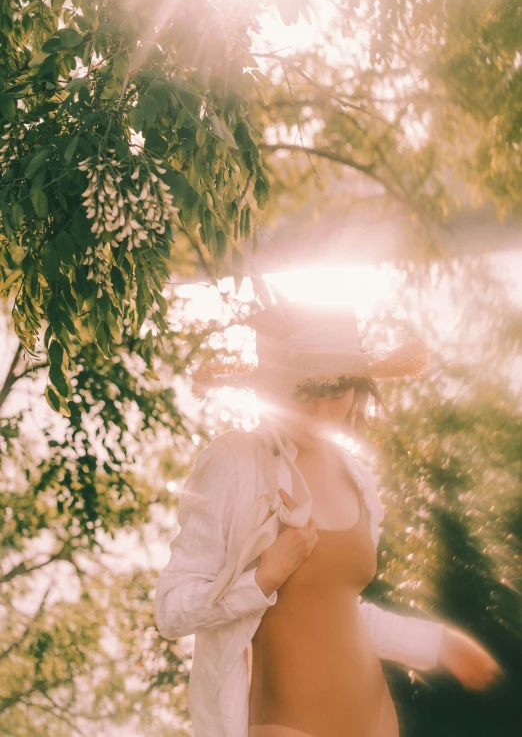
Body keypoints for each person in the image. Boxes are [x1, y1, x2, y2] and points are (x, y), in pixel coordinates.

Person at [155, 295, 504, 737]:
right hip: (284, 723)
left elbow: (338, 610)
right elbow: (171, 611)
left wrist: (440, 644)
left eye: (337, 392)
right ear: (273, 389)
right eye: (306, 392)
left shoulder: (358, 477)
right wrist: (263, 579)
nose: (323, 412)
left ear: (358, 387)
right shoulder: (235, 462)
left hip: (375, 716)